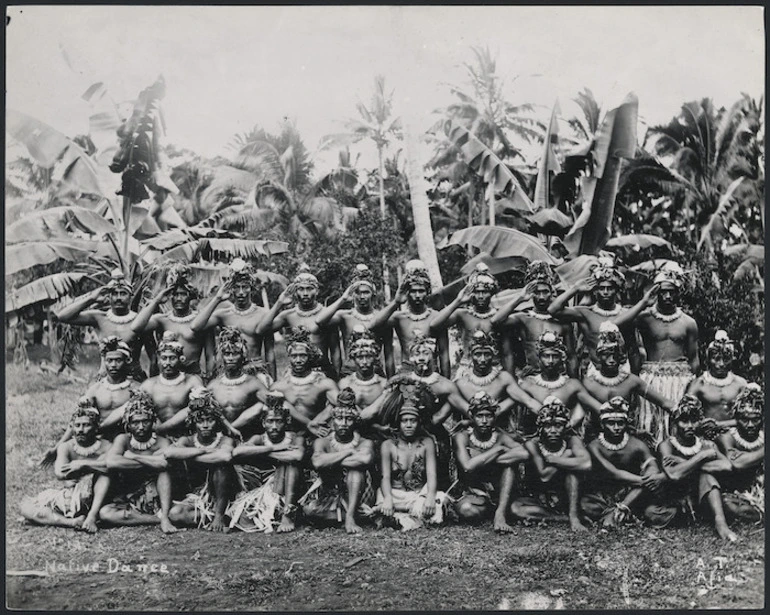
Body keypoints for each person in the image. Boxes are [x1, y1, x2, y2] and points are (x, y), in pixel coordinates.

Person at [613, 263, 699, 442]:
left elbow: (694, 359)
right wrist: (644, 302)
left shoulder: (688, 322)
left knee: (678, 425)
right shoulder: (645, 318)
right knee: (650, 424)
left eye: (672, 291)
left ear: (678, 293)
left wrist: (691, 389)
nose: (668, 296)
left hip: (680, 380)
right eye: (663, 291)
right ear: (656, 292)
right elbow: (615, 325)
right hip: (651, 380)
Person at [42, 336, 140, 463]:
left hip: (128, 439)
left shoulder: (135, 388)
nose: (113, 365)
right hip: (101, 440)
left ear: (127, 360)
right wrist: (57, 447)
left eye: (118, 360)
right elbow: (79, 417)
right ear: (104, 361)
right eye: (109, 360)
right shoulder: (96, 389)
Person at [580, 397, 671, 528]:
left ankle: (620, 510)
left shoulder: (637, 444)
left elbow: (652, 464)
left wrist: (651, 474)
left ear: (626, 424)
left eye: (620, 423)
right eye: (611, 423)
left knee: (646, 493)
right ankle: (623, 513)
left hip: (631, 491)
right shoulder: (594, 446)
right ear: (602, 424)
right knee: (585, 506)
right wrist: (648, 481)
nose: (616, 428)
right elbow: (613, 473)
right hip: (603, 494)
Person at [21, 402, 111, 533]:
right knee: (26, 508)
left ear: (96, 427)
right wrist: (91, 467)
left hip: (100, 496)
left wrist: (82, 465)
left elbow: (110, 467)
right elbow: (60, 473)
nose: (80, 429)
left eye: (86, 425)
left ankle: (92, 516)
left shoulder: (106, 446)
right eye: (77, 425)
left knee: (104, 474)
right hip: (73, 496)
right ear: (72, 427)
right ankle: (73, 522)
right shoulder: (66, 447)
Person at [656, 395, 737, 542]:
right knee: (654, 514)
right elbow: (674, 474)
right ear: (675, 422)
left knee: (707, 477)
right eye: (684, 421)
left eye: (694, 420)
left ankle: (721, 523)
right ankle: (693, 515)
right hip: (675, 497)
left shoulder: (707, 444)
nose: (689, 426)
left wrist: (685, 464)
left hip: (701, 495)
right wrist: (701, 457)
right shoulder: (666, 446)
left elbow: (727, 466)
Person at [547, 254, 641, 373]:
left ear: (617, 291)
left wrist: (634, 379)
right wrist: (575, 289)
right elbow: (553, 310)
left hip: (622, 373)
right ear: (595, 291)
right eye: (601, 288)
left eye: (610, 288)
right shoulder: (585, 313)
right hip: (595, 374)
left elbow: (633, 350)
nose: (605, 292)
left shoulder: (626, 314)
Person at [100, 391, 178, 533]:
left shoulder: (162, 441)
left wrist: (132, 456)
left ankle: (165, 516)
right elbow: (111, 462)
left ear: (153, 421)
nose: (141, 426)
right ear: (128, 424)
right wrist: (151, 461)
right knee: (105, 513)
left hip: (157, 497)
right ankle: (156, 519)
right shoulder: (123, 439)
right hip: (130, 496)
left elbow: (164, 464)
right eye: (135, 422)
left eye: (145, 421)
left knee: (163, 472)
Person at [54, 269, 153, 380]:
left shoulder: (140, 321)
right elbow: (62, 316)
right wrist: (92, 298)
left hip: (134, 379)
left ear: (131, 296)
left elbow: (153, 357)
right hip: (105, 380)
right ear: (108, 297)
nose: (118, 298)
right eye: (114, 294)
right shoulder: (99, 318)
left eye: (123, 293)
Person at [580, 322, 673, 440]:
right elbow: (580, 414)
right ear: (598, 356)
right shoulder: (588, 383)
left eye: (615, 355)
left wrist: (684, 411)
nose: (611, 360)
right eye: (606, 355)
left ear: (622, 356)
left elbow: (664, 402)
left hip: (625, 435)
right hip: (594, 438)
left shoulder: (631, 381)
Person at [452, 391, 529, 533]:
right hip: (474, 493)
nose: (484, 421)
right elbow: (468, 466)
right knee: (467, 511)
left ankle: (500, 513)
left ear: (494, 417)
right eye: (479, 416)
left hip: (499, 493)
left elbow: (524, 453)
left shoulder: (500, 436)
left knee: (510, 464)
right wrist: (498, 450)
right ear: (472, 417)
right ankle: (494, 511)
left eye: (488, 416)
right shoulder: (462, 437)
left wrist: (485, 460)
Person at [228, 392, 305, 533]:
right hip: (264, 492)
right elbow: (237, 452)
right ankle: (273, 514)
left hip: (285, 489)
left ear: (286, 421)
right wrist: (275, 448)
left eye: (278, 421)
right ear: (263, 423)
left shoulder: (295, 438)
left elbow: (297, 456)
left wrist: (264, 453)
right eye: (270, 421)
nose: (274, 426)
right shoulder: (259, 439)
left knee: (290, 465)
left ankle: (288, 514)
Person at [301, 389, 376, 534]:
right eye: (339, 418)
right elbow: (317, 462)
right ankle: (345, 516)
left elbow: (365, 458)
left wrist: (329, 461)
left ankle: (349, 517)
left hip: (359, 496)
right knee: (309, 510)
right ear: (332, 421)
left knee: (356, 471)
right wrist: (348, 452)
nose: (344, 423)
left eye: (349, 419)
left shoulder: (364, 442)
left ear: (355, 421)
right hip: (330, 496)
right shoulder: (323, 442)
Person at [512, 397, 591, 531]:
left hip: (567, 496)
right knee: (515, 508)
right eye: (548, 426)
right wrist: (565, 456)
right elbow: (544, 475)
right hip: (540, 498)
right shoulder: (533, 444)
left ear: (565, 427)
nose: (553, 431)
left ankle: (573, 516)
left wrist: (555, 459)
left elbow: (586, 464)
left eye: (558, 426)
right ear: (541, 428)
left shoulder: (572, 440)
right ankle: (562, 518)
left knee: (572, 475)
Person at [190, 258, 275, 380]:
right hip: (229, 372)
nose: (241, 292)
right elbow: (195, 326)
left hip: (255, 371)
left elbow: (270, 353)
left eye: (245, 287)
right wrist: (218, 298)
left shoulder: (263, 314)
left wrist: (273, 384)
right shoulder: (223, 315)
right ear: (231, 288)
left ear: (251, 288)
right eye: (236, 287)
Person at [374, 389, 447, 531]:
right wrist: (388, 498)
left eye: (412, 421)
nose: (408, 425)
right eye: (404, 421)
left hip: (417, 495)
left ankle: (399, 515)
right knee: (383, 500)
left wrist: (430, 497)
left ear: (419, 422)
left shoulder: (427, 442)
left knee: (439, 501)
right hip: (394, 494)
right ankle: (400, 513)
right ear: (398, 422)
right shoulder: (388, 445)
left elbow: (432, 474)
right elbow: (385, 477)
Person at [165, 388, 236, 532]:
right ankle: (227, 517)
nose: (205, 425)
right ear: (193, 422)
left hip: (227, 493)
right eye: (200, 421)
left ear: (216, 421)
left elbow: (225, 456)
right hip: (200, 496)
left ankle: (219, 515)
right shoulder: (187, 440)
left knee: (221, 467)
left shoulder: (225, 439)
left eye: (209, 420)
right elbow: (169, 453)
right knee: (175, 514)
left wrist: (190, 455)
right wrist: (205, 450)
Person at [491, 260, 577, 377]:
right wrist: (520, 298)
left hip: (559, 377)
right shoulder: (523, 318)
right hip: (532, 377)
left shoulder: (563, 322)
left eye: (545, 292)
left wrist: (573, 382)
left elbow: (571, 357)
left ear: (552, 292)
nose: (541, 297)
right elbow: (495, 321)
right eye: (537, 292)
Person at [256, 263, 340, 378]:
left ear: (317, 291)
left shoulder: (326, 315)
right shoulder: (289, 315)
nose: (305, 293)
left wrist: (337, 376)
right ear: (295, 292)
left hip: (322, 371)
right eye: (301, 289)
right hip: (296, 372)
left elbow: (335, 350)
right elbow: (261, 330)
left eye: (309, 289)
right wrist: (279, 303)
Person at [370, 260, 451, 377]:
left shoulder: (437, 317)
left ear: (428, 292)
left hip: (432, 373)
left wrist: (445, 382)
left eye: (421, 291)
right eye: (413, 291)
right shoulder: (399, 318)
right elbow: (373, 325)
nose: (417, 295)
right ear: (406, 293)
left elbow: (444, 353)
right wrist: (396, 302)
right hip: (406, 373)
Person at [131, 262, 211, 375]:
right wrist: (156, 301)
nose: (178, 298)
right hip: (166, 376)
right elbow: (136, 327)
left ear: (190, 296)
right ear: (169, 296)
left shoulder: (200, 321)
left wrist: (209, 377)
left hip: (192, 376)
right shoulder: (162, 320)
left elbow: (210, 356)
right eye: (175, 294)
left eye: (183, 294)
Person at [454, 329, 541, 433]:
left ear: (493, 355)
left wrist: (550, 413)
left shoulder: (503, 379)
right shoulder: (461, 383)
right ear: (470, 355)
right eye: (478, 354)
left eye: (487, 354)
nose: (482, 359)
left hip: (499, 433)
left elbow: (528, 401)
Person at [517, 331, 602, 436]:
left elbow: (592, 406)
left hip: (564, 437)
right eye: (546, 356)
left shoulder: (572, 385)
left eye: (555, 356)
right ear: (539, 359)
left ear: (562, 359)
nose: (550, 361)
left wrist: (571, 424)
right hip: (535, 438)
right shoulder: (527, 384)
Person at [315, 264, 394, 374]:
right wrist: (343, 299)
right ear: (353, 294)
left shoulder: (381, 318)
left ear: (373, 294)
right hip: (349, 371)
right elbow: (319, 321)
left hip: (374, 371)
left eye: (366, 292)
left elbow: (389, 355)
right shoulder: (345, 316)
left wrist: (391, 382)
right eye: (357, 292)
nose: (362, 296)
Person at [429, 263, 500, 377]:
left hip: (494, 368)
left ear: (491, 293)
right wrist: (458, 301)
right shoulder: (462, 314)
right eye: (476, 292)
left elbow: (507, 352)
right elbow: (434, 324)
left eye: (484, 292)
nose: (480, 296)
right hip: (467, 369)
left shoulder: (498, 316)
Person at [269, 328, 339, 438]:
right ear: (289, 357)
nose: (298, 360)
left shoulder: (324, 383)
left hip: (318, 432)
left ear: (310, 356)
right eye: (294, 356)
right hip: (289, 434)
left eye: (303, 355)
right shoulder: (279, 386)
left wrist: (318, 421)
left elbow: (341, 405)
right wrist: (309, 424)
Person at [140, 332, 206, 439]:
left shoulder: (192, 381)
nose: (168, 363)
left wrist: (162, 428)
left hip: (184, 436)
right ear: (159, 360)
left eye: (172, 358)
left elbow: (197, 407)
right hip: (157, 437)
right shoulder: (149, 384)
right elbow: (141, 410)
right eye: (164, 358)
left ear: (181, 359)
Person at [716, 384, 764, 524]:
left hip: (760, 491)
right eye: (744, 419)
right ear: (736, 418)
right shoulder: (727, 436)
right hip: (738, 494)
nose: (750, 425)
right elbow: (737, 463)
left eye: (755, 419)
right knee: (728, 504)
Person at [686, 330, 748, 437]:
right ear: (708, 359)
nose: (721, 364)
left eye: (726, 359)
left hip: (735, 436)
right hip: (706, 436)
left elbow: (748, 418)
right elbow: (686, 417)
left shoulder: (740, 384)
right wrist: (703, 425)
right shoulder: (698, 384)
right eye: (716, 359)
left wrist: (719, 425)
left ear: (732, 359)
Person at [207, 327, 268, 435]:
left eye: (235, 354)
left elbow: (274, 404)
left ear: (243, 356)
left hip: (247, 435)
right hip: (220, 436)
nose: (230, 358)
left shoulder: (253, 383)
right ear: (222, 357)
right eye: (226, 354)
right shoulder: (214, 385)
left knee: (260, 406)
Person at [337, 326, 388, 409]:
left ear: (375, 358)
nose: (364, 362)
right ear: (353, 358)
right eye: (360, 357)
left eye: (368, 357)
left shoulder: (383, 384)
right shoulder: (344, 383)